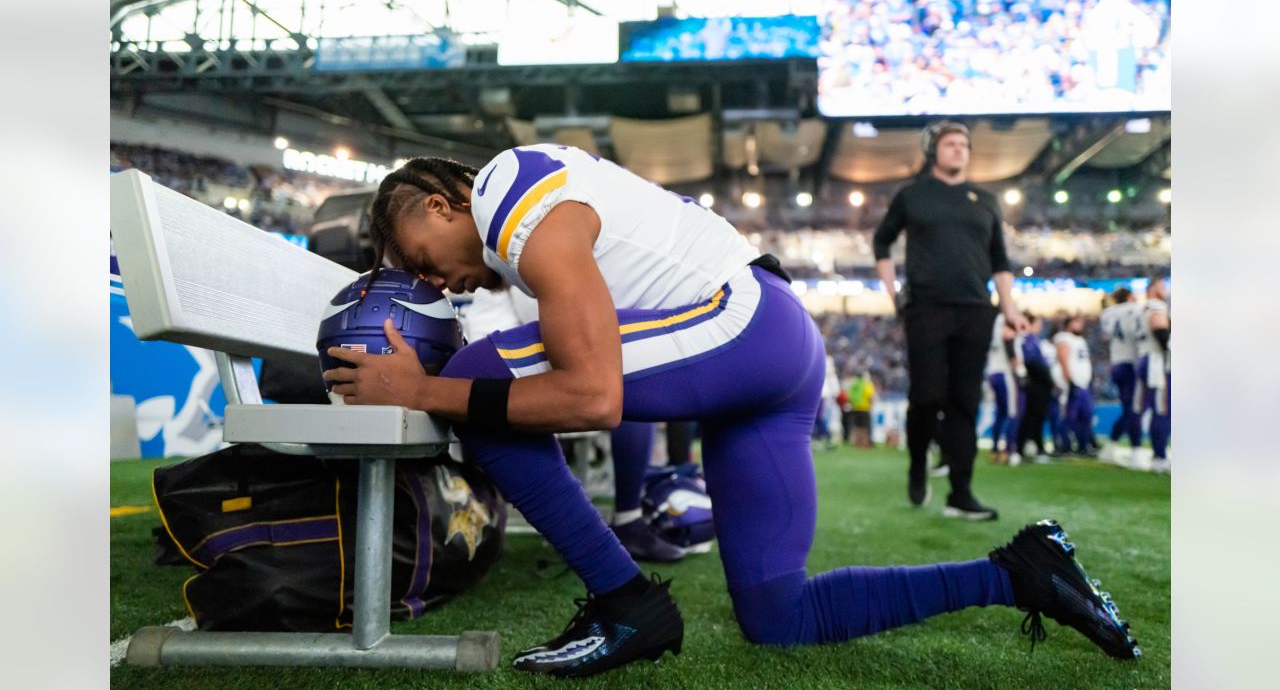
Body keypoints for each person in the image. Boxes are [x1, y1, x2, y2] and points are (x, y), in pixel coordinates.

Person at [321, 147, 1138, 677]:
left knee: (474, 376)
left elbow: (596, 398)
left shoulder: (506, 191)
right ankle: (1018, 572)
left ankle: (626, 602)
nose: (435, 283)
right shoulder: (527, 229)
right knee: (780, 616)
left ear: (437, 203)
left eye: (419, 262)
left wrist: (423, 391)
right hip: (777, 352)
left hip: (738, 328)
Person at [459, 286, 686, 562]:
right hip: (503, 362)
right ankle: (614, 524)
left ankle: (625, 521)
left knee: (624, 369)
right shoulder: (511, 262)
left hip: (532, 354)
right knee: (615, 369)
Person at [873, 121, 1028, 521]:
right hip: (926, 307)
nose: (959, 150)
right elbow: (882, 241)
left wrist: (1009, 307)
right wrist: (893, 293)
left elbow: (1000, 260)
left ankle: (961, 493)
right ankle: (918, 463)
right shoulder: (912, 196)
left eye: (964, 144)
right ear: (933, 152)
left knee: (965, 400)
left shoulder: (987, 200)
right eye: (951, 144)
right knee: (926, 396)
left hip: (976, 308)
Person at [1098, 288, 1143, 463]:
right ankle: (1135, 450)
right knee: (1134, 409)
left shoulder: (1108, 313)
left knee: (1128, 410)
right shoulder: (1135, 309)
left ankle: (1111, 446)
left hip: (1116, 363)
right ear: (1130, 297)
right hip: (1130, 362)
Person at [1134, 277, 1171, 473]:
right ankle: (1159, 456)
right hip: (1154, 360)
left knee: (1146, 407)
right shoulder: (1156, 306)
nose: (1164, 290)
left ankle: (1145, 451)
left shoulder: (1142, 308)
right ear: (1153, 289)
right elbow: (1160, 330)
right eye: (1161, 286)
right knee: (1161, 409)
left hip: (1144, 356)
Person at [1054, 315, 1096, 457]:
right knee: (1069, 416)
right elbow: (1063, 359)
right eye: (1077, 322)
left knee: (1086, 416)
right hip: (1072, 383)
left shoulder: (1080, 340)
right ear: (1069, 323)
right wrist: (1069, 381)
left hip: (1083, 383)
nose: (1080, 325)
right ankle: (1064, 446)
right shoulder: (1063, 337)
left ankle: (1083, 446)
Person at [1014, 312, 1054, 462]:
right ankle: (1028, 448)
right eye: (1037, 323)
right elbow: (1033, 363)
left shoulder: (1033, 340)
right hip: (1035, 384)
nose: (1040, 327)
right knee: (1032, 417)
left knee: (1035, 417)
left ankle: (1032, 446)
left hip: (1038, 383)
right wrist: (1048, 380)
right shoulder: (1027, 340)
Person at [986, 315, 1020, 464]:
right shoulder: (1004, 321)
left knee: (1000, 413)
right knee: (1011, 412)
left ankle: (995, 449)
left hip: (992, 372)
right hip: (1004, 372)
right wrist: (1017, 366)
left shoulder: (991, 323)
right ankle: (1007, 449)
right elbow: (1008, 339)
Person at [848, 370, 876, 448]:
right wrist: (871, 405)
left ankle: (857, 443)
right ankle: (864, 443)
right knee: (865, 427)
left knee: (857, 426)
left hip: (855, 408)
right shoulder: (867, 384)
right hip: (864, 408)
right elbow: (870, 396)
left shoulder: (854, 384)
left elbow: (850, 395)